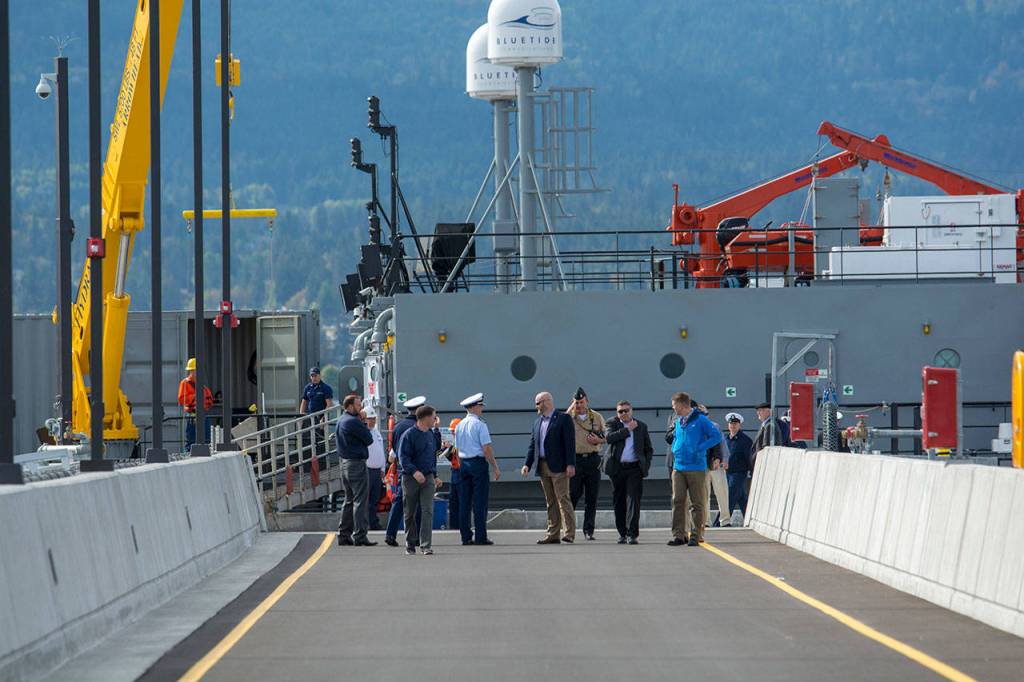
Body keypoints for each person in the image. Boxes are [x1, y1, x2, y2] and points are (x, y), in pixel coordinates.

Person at [665, 392, 721, 546]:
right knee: (678, 500)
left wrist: (699, 448)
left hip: (696, 466)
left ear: (683, 405)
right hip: (679, 466)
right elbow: (676, 437)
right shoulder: (678, 421)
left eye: (674, 406)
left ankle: (695, 535)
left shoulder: (701, 419)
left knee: (697, 502)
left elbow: (716, 436)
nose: (673, 409)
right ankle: (679, 535)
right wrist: (677, 448)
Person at [521, 391, 577, 544]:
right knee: (550, 501)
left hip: (559, 466)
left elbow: (569, 443)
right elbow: (533, 445)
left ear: (547, 402)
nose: (536, 406)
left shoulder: (563, 419)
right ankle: (553, 533)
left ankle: (569, 533)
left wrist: (571, 464)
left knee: (563, 499)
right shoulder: (537, 422)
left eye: (538, 403)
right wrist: (527, 464)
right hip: (542, 465)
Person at [603, 400, 653, 544]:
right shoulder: (612, 423)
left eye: (626, 410)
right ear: (617, 413)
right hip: (617, 468)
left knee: (633, 500)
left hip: (634, 469)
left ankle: (632, 534)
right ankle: (622, 533)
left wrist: (646, 465)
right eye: (620, 411)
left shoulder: (641, 426)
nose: (623, 413)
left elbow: (648, 449)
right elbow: (609, 438)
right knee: (618, 501)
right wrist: (627, 429)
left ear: (632, 411)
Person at [455, 393, 502, 546]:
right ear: (475, 407)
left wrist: (462, 464)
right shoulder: (481, 425)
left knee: (464, 502)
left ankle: (465, 536)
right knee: (480, 501)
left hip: (464, 463)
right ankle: (480, 536)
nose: (482, 408)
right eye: (480, 406)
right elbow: (486, 449)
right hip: (478, 463)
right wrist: (495, 467)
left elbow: (457, 449)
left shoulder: (460, 425)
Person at [398, 404, 443, 555]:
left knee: (427, 510)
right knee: (409, 511)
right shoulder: (409, 435)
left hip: (428, 477)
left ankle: (425, 545)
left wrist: (435, 475)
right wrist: (414, 471)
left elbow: (432, 457)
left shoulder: (430, 434)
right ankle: (410, 544)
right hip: (411, 478)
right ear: (425, 418)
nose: (435, 419)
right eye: (433, 417)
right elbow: (403, 457)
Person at [335, 394, 377, 547]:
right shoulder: (354, 422)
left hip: (345, 463)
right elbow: (368, 439)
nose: (361, 409)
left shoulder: (341, 420)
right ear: (351, 406)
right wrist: (363, 421)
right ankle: (360, 535)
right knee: (360, 500)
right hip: (357, 464)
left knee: (349, 500)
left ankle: (344, 534)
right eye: (358, 405)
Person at [384, 396, 426, 547]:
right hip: (418, 469)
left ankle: (390, 533)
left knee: (399, 501)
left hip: (403, 469)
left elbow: (394, 451)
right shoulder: (419, 427)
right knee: (419, 503)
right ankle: (417, 537)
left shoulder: (397, 426)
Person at [566, 387, 606, 541]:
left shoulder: (595, 417)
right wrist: (571, 408)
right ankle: (569, 529)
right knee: (573, 495)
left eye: (582, 402)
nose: (579, 405)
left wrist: (599, 440)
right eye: (577, 402)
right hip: (576, 460)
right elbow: (560, 422)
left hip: (592, 459)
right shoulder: (570, 417)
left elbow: (606, 434)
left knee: (592, 496)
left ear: (587, 402)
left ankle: (589, 530)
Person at [698, 405, 731, 528]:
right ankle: (705, 521)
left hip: (716, 464)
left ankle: (725, 520)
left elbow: (722, 444)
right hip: (702, 465)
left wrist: (725, 459)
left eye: (705, 414)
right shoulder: (695, 429)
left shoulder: (715, 426)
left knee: (722, 492)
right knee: (703, 494)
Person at [299, 367, 334, 473]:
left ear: (319, 376)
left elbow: (329, 405)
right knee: (307, 442)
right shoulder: (308, 388)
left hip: (320, 419)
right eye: (312, 376)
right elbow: (304, 402)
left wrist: (324, 418)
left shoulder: (325, 388)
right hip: (310, 419)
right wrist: (301, 417)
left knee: (320, 443)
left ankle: (322, 466)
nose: (314, 378)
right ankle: (307, 467)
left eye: (315, 375)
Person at [177, 357, 213, 452]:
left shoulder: (202, 385)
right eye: (196, 370)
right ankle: (189, 454)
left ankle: (206, 452)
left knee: (206, 437)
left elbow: (209, 399)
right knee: (191, 439)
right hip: (192, 415)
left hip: (204, 415)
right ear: (191, 371)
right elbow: (181, 399)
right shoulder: (185, 383)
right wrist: (195, 397)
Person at [723, 412, 754, 520]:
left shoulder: (745, 440)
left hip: (739, 473)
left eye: (736, 423)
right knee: (741, 497)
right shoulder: (725, 439)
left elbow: (749, 458)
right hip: (727, 472)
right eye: (731, 423)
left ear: (739, 425)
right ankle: (749, 518)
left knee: (730, 496)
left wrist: (752, 472)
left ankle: (721, 521)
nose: (733, 426)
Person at [363, 407, 387, 531]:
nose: (372, 421)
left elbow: (380, 450)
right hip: (367, 470)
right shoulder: (363, 432)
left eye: (373, 418)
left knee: (375, 498)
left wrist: (383, 468)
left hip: (377, 470)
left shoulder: (376, 431)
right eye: (369, 419)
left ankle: (373, 522)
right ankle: (368, 523)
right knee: (366, 499)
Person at [751, 401, 791, 469]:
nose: (758, 413)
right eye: (758, 411)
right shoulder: (766, 425)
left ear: (769, 412)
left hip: (765, 464)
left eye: (761, 410)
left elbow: (766, 447)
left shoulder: (769, 426)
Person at [444, 418, 462, 532]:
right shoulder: (455, 441)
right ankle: (454, 525)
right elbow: (452, 458)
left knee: (461, 500)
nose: (452, 432)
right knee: (453, 501)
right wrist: (446, 449)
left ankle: (460, 525)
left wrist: (449, 449)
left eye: (453, 430)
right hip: (455, 472)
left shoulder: (461, 441)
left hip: (460, 473)